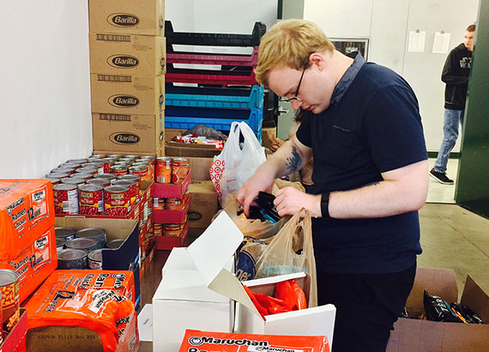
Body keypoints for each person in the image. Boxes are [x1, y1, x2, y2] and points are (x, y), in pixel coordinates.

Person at [236, 19, 428, 352]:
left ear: (317, 61)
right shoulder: (323, 99)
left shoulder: (383, 95)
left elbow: (411, 191)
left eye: (294, 94)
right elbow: (298, 147)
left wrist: (314, 204)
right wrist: (265, 172)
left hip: (371, 270)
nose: (295, 105)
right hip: (331, 257)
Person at [430, 24, 476, 185]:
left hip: (469, 102)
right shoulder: (456, 53)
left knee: (470, 137)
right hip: (453, 102)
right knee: (450, 137)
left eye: (471, 37)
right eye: (465, 37)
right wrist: (470, 82)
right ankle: (438, 169)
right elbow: (446, 76)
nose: (467, 40)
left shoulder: (479, 53)